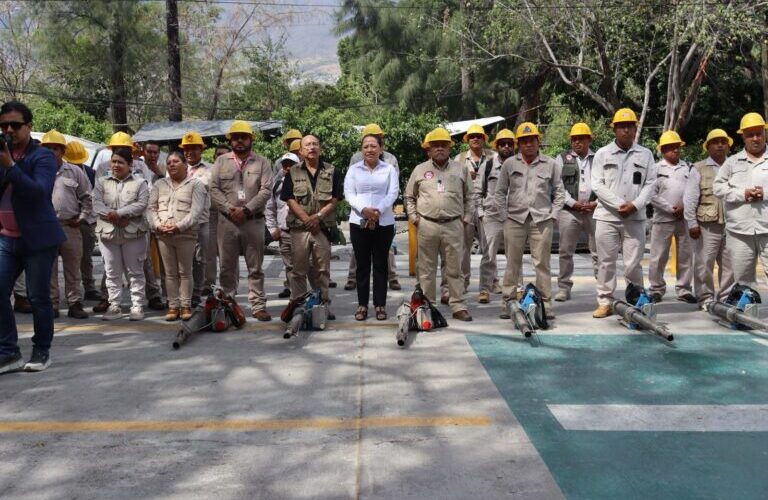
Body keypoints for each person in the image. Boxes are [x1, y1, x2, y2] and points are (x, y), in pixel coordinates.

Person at [0, 101, 66, 374]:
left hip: (37, 239)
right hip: (6, 237)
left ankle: (42, 350)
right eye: (3, 125)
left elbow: (39, 191)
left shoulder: (42, 157)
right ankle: (8, 352)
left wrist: (11, 166)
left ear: (29, 126)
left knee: (38, 298)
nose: (8, 130)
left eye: (15, 125)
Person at [494, 122, 565, 318]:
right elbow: (499, 193)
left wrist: (554, 214)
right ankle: (508, 302)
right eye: (524, 141)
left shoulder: (551, 164)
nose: (528, 145)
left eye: (531, 140)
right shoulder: (509, 164)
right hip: (515, 219)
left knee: (542, 263)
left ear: (538, 141)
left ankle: (545, 305)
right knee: (512, 263)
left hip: (541, 220)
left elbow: (560, 191)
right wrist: (503, 216)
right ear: (518, 144)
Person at [591, 108, 657, 318]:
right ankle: (605, 301)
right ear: (615, 129)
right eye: (622, 127)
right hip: (607, 217)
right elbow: (597, 185)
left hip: (635, 218)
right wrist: (621, 204)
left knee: (633, 264)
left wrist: (636, 205)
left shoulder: (645, 154)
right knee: (606, 262)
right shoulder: (602, 153)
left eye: (630, 126)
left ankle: (637, 299)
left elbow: (651, 184)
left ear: (635, 128)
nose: (626, 130)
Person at [404, 127, 473, 321]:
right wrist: (414, 218)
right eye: (436, 146)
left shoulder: (461, 169)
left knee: (455, 268)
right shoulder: (420, 170)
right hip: (427, 224)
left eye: (444, 145)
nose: (440, 149)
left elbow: (471, 197)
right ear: (429, 150)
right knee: (426, 269)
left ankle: (458, 305)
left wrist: (467, 217)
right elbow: (409, 196)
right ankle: (427, 306)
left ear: (450, 148)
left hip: (453, 224)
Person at [210, 120, 273, 321]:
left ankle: (258, 305)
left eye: (243, 137)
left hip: (253, 221)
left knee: (255, 268)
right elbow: (213, 188)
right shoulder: (221, 162)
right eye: (235, 137)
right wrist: (230, 210)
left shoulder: (262, 162)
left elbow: (265, 190)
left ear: (250, 139)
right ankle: (228, 304)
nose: (239, 141)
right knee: (227, 267)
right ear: (230, 140)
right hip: (227, 222)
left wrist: (246, 210)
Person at [93, 132, 162, 313]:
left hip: (135, 226)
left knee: (139, 265)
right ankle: (107, 299)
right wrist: (113, 215)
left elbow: (145, 196)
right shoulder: (102, 168)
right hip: (109, 227)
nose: (118, 156)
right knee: (111, 268)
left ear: (132, 153)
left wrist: (123, 215)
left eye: (124, 151)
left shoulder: (141, 167)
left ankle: (150, 297)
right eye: (115, 150)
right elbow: (97, 198)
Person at [281, 135, 342, 317]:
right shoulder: (293, 172)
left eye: (315, 144)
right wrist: (307, 219)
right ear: (301, 151)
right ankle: (298, 304)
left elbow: (335, 199)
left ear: (320, 148)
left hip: (322, 228)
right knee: (298, 270)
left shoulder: (332, 171)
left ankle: (322, 305)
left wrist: (317, 217)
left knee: (322, 270)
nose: (312, 147)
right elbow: (289, 199)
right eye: (307, 145)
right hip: (299, 230)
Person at [345, 134, 399, 320]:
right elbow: (349, 194)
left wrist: (378, 211)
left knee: (380, 265)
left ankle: (380, 305)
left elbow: (393, 193)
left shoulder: (389, 169)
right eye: (366, 146)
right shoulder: (353, 170)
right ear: (362, 150)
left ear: (381, 149)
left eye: (373, 146)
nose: (370, 149)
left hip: (383, 222)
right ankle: (361, 305)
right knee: (362, 265)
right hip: (358, 222)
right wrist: (364, 210)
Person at [149, 151, 206, 321]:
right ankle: (173, 306)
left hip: (185, 234)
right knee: (170, 272)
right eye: (169, 162)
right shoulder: (159, 185)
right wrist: (158, 225)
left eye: (176, 161)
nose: (172, 164)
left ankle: (186, 305)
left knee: (185, 271)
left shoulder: (196, 185)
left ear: (184, 165)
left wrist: (178, 227)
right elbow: (151, 208)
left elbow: (196, 212)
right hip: (163, 235)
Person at [713, 112, 768, 289]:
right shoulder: (732, 163)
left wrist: (764, 193)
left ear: (765, 134)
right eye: (750, 134)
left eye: (758, 133)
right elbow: (718, 188)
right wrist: (742, 194)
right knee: (743, 281)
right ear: (743, 137)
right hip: (739, 232)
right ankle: (748, 314)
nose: (755, 138)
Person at [41, 130, 92, 319]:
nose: (51, 152)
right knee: (49, 268)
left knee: (73, 268)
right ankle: (52, 304)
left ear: (62, 151)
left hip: (70, 227)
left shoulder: (75, 171)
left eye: (55, 148)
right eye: (47, 148)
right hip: (46, 228)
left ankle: (74, 303)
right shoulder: (37, 172)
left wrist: (81, 218)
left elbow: (88, 198)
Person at [684, 128, 735, 308]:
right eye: (715, 142)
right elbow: (690, 198)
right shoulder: (698, 168)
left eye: (723, 142)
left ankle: (725, 299)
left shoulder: (735, 165)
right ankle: (705, 297)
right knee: (704, 263)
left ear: (728, 146)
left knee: (729, 264)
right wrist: (691, 223)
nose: (720, 145)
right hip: (707, 225)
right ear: (708, 147)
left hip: (732, 224)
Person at [444, 123, 495, 303]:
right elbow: (452, 182)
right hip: (465, 206)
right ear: (467, 140)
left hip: (487, 205)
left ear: (484, 139)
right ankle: (463, 282)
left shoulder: (493, 157)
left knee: (488, 246)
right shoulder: (459, 159)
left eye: (479, 136)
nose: (475, 139)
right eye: (472, 136)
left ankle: (490, 282)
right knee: (463, 247)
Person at [648, 130, 696, 303]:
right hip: (663, 219)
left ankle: (684, 289)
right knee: (658, 256)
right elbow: (650, 194)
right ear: (662, 150)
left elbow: (693, 192)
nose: (675, 150)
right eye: (670, 148)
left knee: (685, 256)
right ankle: (656, 288)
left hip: (684, 218)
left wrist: (685, 207)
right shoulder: (654, 169)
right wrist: (669, 208)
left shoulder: (689, 167)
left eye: (677, 147)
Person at [554, 123, 598, 302]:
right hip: (569, 211)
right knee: (565, 251)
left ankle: (603, 289)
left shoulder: (599, 157)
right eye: (574, 139)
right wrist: (573, 203)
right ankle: (564, 288)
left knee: (598, 252)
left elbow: (606, 183)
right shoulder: (562, 158)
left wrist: (595, 203)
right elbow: (557, 185)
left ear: (589, 140)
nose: (577, 142)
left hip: (594, 210)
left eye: (581, 139)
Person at [476, 129, 514, 303]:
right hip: (492, 216)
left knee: (514, 255)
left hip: (514, 216)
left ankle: (515, 288)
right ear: (497, 146)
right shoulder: (488, 165)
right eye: (502, 143)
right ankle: (484, 289)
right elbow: (477, 191)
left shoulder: (518, 164)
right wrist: (481, 213)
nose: (506, 146)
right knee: (489, 255)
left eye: (509, 143)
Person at [63, 140, 101, 302]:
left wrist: (83, 217)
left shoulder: (91, 173)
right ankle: (71, 294)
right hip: (67, 222)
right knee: (70, 260)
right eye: (74, 163)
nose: (77, 166)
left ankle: (89, 287)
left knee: (86, 257)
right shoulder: (60, 172)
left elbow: (93, 198)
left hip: (86, 222)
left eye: (80, 163)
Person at [181, 131, 214, 306]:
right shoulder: (175, 167)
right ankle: (182, 294)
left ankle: (196, 294)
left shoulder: (209, 169)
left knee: (199, 260)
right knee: (182, 259)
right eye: (186, 149)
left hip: (200, 222)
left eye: (194, 148)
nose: (189, 152)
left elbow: (201, 186)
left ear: (201, 150)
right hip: (179, 221)